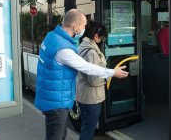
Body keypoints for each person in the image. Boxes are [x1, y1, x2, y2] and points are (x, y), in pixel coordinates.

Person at [34, 9, 128, 140]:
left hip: (51, 95)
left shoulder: (51, 36)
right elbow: (86, 67)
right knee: (56, 136)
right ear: (75, 26)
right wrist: (113, 72)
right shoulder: (63, 49)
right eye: (83, 26)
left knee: (60, 134)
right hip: (57, 101)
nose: (84, 29)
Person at [76, 21, 108, 140]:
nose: (102, 40)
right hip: (91, 99)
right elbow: (94, 79)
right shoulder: (91, 52)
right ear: (95, 36)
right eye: (102, 37)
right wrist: (107, 77)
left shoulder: (82, 46)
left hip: (83, 95)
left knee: (86, 126)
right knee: (88, 129)